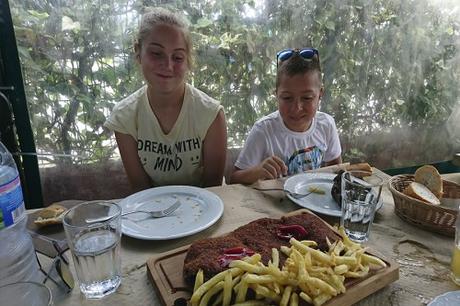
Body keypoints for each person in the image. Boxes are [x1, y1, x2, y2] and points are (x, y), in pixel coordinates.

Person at [105, 7, 227, 191]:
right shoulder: (125, 118)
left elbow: (213, 188)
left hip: (206, 205)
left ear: (188, 61)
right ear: (138, 52)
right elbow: (141, 190)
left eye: (177, 57)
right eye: (156, 53)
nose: (168, 65)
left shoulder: (210, 115)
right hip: (153, 209)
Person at [230, 48, 342, 184]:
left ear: (320, 94)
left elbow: (337, 169)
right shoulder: (264, 130)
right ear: (276, 95)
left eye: (307, 98)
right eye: (287, 98)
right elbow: (234, 179)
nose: (297, 108)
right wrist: (258, 171)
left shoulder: (327, 125)